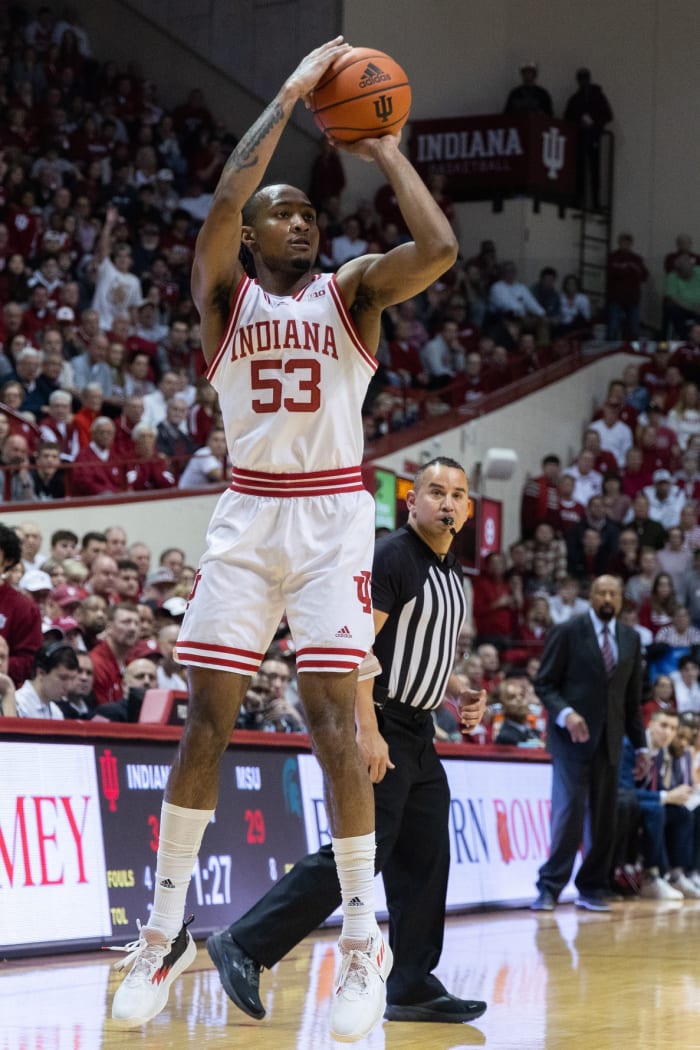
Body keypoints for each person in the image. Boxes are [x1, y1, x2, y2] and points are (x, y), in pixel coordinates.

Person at [109, 38, 459, 1041]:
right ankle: (164, 927)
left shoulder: (351, 295)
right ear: (256, 232)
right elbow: (221, 205)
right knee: (205, 725)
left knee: (338, 730)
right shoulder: (225, 299)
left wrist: (385, 149)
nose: (300, 217)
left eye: (310, 209)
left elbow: (434, 251)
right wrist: (293, 94)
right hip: (247, 511)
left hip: (332, 518)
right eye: (284, 210)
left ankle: (362, 945)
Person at [206, 457, 487, 1026]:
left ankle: (410, 981)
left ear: (469, 508)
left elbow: (417, 644)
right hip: (384, 721)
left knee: (425, 854)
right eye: (435, 492)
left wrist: (454, 689)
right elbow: (358, 646)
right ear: (411, 502)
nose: (447, 503)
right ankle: (245, 943)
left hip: (421, 731)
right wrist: (367, 727)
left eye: (458, 494)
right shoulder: (393, 556)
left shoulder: (450, 570)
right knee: (361, 854)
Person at [531, 575, 648, 912]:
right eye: (601, 592)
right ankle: (550, 887)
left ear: (622, 599)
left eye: (614, 592)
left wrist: (641, 746)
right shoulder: (569, 631)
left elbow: (630, 700)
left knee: (604, 820)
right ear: (591, 596)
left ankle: (593, 886)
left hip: (611, 741)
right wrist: (566, 713)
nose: (608, 597)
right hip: (571, 741)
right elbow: (545, 683)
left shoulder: (630, 638)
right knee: (568, 816)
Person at [14, 641, 79, 719]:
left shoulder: (56, 712)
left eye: (72, 678)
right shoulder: (18, 704)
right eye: (63, 678)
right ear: (41, 673)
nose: (68, 686)